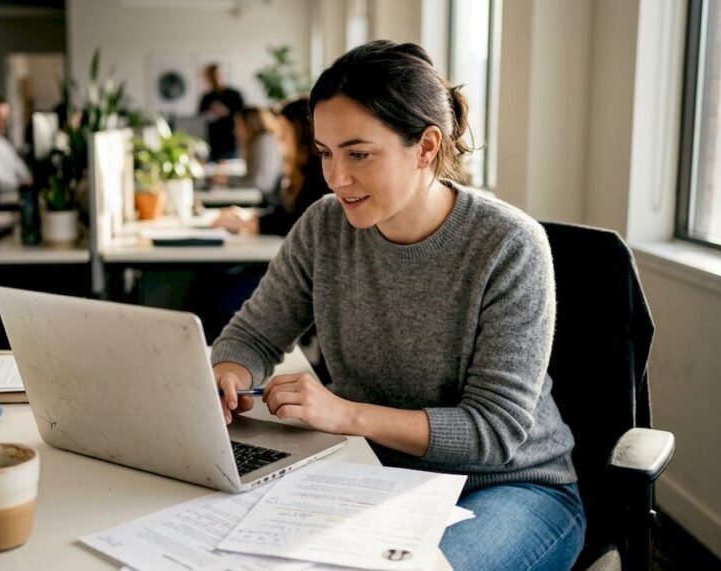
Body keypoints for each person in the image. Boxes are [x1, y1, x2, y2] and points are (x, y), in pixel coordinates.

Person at [211, 41, 585, 570]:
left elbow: (493, 433)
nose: (337, 178)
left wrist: (345, 414)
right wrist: (226, 376)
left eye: (359, 153)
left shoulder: (508, 245)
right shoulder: (324, 225)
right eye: (325, 153)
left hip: (509, 488)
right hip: (372, 472)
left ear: (427, 147)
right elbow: (252, 336)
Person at [212, 97, 330, 236]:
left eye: (284, 133)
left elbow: (299, 223)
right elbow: (288, 212)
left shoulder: (320, 176)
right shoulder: (301, 172)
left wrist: (251, 222)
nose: (279, 141)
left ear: (303, 135)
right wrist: (251, 217)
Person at [226, 107, 284, 201]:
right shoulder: (256, 142)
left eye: (239, 125)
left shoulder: (265, 141)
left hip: (267, 201)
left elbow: (262, 185)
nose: (235, 130)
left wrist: (230, 181)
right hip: (261, 198)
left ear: (250, 124)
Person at [198, 63, 244, 162]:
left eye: (216, 76)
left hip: (231, 142)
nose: (214, 79)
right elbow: (200, 118)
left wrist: (226, 112)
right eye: (211, 77)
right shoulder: (206, 98)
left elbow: (243, 116)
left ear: (222, 75)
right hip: (212, 143)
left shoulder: (234, 95)